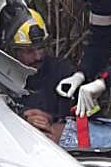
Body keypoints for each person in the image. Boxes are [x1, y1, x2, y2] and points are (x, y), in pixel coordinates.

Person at [7, 9, 75, 142]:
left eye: (41, 48)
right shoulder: (0, 79)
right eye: (29, 51)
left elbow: (90, 120)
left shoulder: (65, 73)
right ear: (13, 51)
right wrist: (22, 118)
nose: (38, 56)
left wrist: (56, 126)